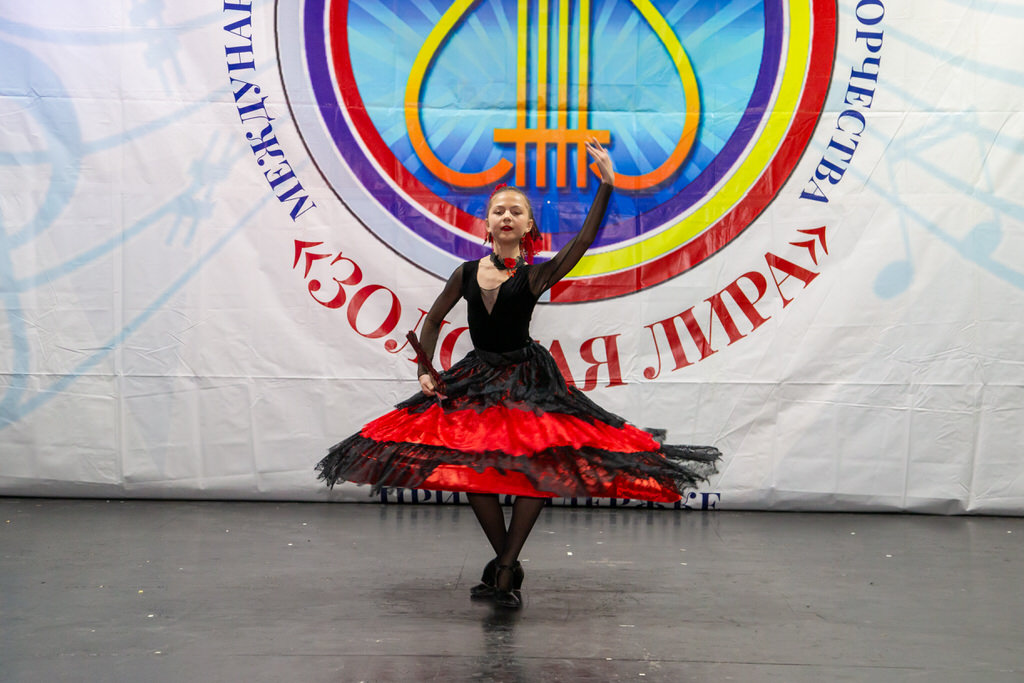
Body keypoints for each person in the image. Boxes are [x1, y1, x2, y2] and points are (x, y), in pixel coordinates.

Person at [317, 139, 720, 608]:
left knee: (539, 468)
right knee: (472, 469)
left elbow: (582, 241)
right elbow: (433, 320)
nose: (506, 216)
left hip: (528, 381)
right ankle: (506, 562)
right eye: (499, 211)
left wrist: (607, 186)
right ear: (487, 223)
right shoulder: (466, 272)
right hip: (478, 378)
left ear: (529, 226)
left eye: (516, 211)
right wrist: (426, 369)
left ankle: (505, 570)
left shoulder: (535, 276)